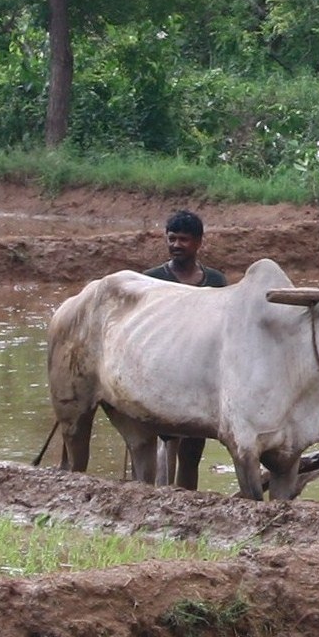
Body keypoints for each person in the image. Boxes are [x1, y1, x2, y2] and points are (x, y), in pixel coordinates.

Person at [142, 209, 228, 488]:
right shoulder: (151, 280)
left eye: (184, 240)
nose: (177, 245)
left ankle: (188, 502)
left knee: (192, 453)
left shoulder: (215, 282)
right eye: (172, 239)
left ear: (199, 242)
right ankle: (159, 497)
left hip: (201, 379)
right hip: (162, 374)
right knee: (163, 445)